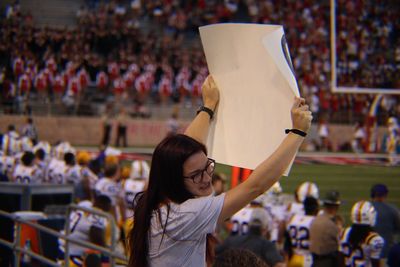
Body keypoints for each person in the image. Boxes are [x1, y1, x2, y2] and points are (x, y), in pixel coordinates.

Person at [128, 75, 312, 267]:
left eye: (207, 166)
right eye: (197, 174)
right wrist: (297, 133)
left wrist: (208, 106)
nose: (207, 177)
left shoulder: (159, 202)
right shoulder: (184, 215)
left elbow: (189, 148)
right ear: (174, 179)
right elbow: (254, 187)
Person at [216, 208, 285, 267]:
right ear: (265, 228)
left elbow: (212, 254)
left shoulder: (231, 241)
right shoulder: (267, 245)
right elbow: (279, 265)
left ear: (249, 225)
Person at [339, 201, 385, 267]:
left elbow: (340, 258)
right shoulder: (374, 239)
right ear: (370, 215)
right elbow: (375, 263)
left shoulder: (344, 232)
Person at [310, 190, 341, 267]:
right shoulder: (332, 224)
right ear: (335, 207)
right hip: (327, 262)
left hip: (314, 261)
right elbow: (340, 244)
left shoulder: (315, 220)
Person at [285, 196, 319, 267]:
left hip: (293, 258)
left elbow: (287, 242)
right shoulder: (316, 221)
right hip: (308, 259)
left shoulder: (294, 219)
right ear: (316, 208)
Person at [370, 184, 400, 259]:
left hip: (370, 252)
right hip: (388, 253)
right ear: (385, 195)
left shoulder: (367, 209)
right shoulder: (393, 210)